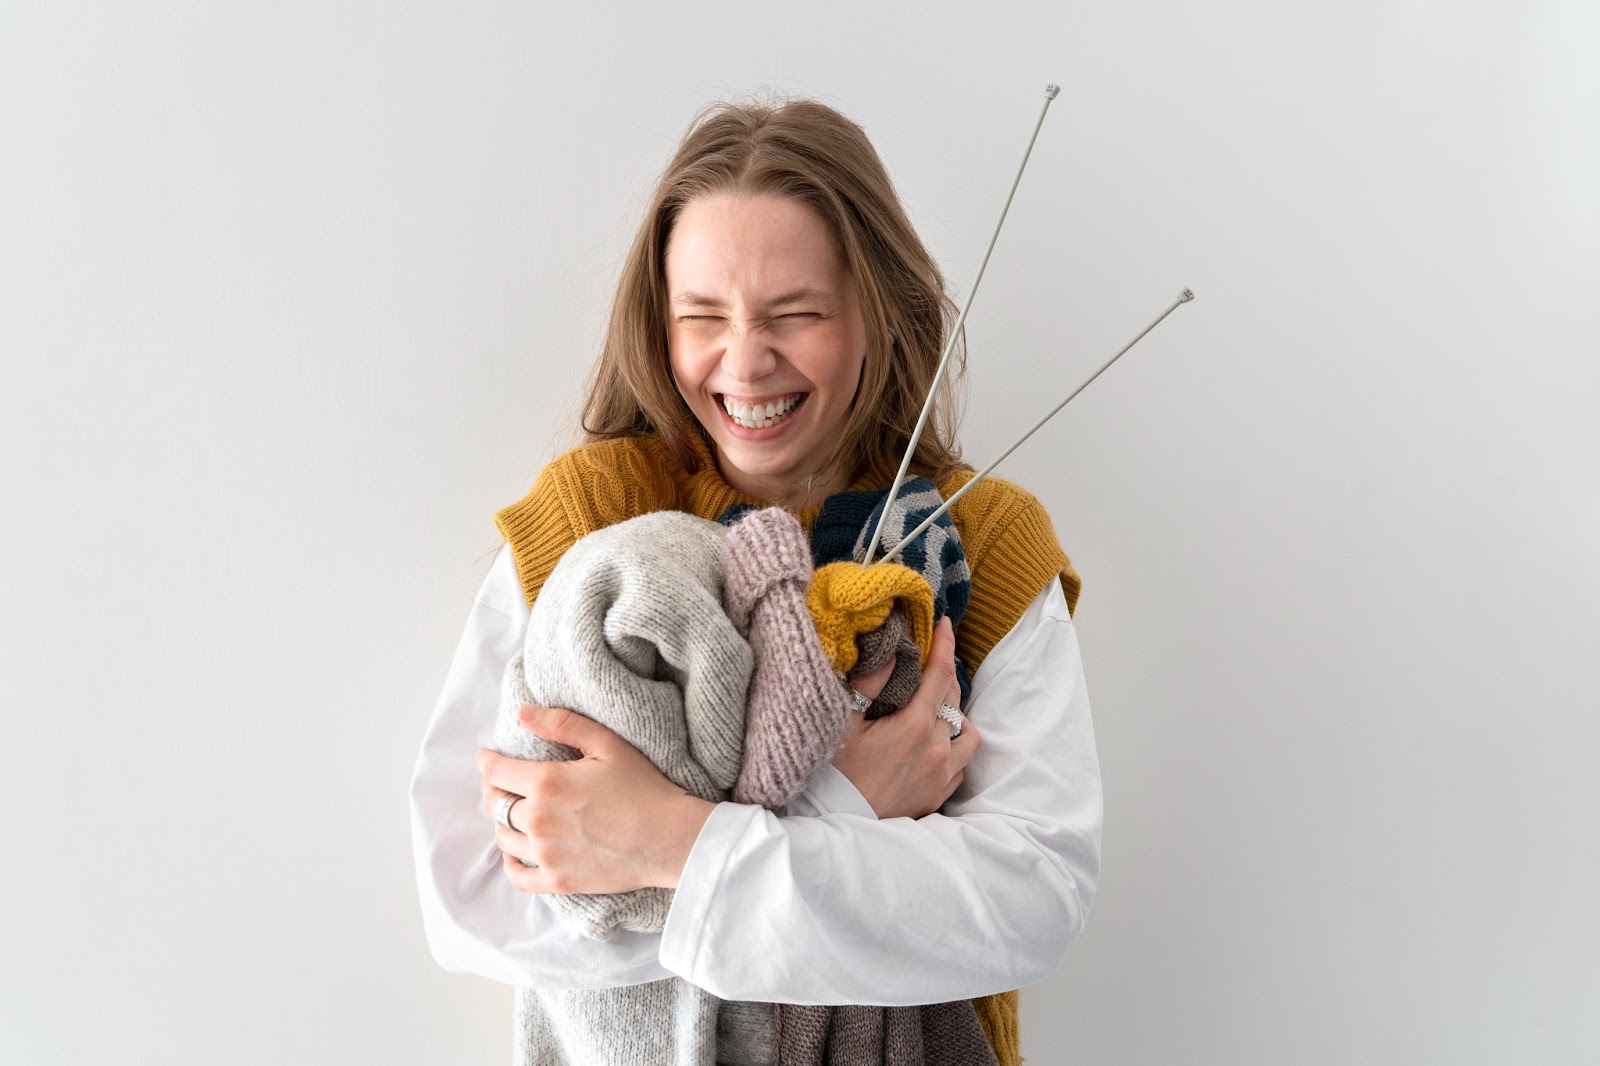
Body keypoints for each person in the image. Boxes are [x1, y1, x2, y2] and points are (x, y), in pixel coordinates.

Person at [408, 97, 1103, 1066]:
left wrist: (658, 845)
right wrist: (836, 813)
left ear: (879, 312)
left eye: (796, 314)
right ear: (658, 321)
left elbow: (1031, 899)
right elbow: (470, 892)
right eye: (702, 316)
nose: (744, 360)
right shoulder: (586, 527)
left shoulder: (980, 540)